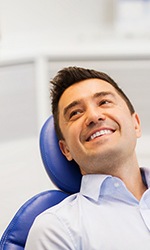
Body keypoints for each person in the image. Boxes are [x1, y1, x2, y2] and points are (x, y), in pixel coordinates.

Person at [25, 66, 150, 249]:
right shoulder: (56, 229)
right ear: (65, 149)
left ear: (136, 124)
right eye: (75, 113)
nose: (93, 116)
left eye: (104, 102)